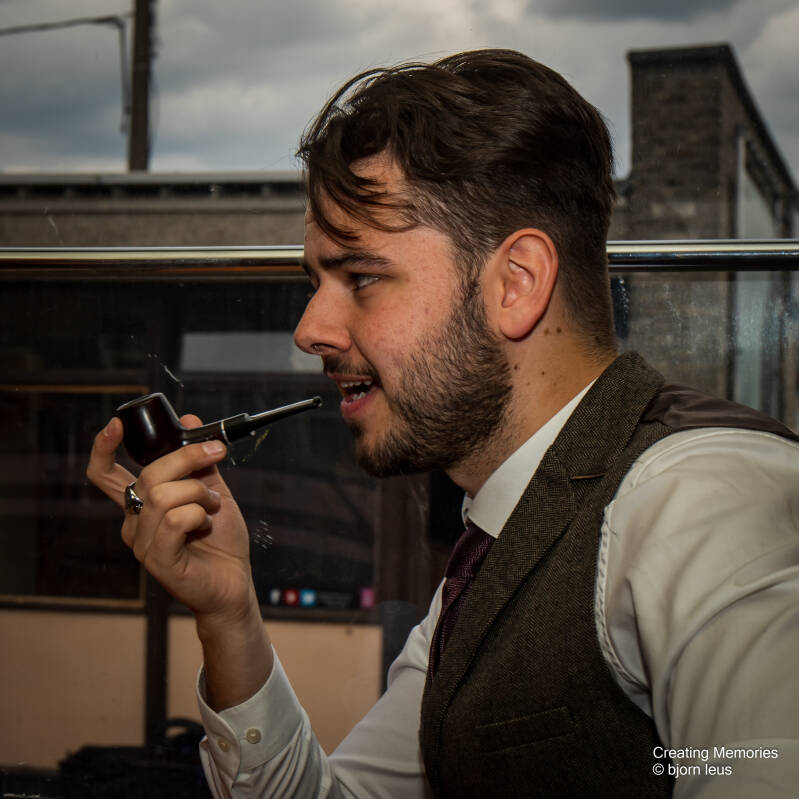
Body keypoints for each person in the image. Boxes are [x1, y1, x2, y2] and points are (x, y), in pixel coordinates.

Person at [87, 49, 799, 797]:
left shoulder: (704, 500)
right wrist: (229, 611)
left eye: (361, 276)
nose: (309, 330)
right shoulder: (496, 546)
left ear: (516, 283)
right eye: (316, 281)